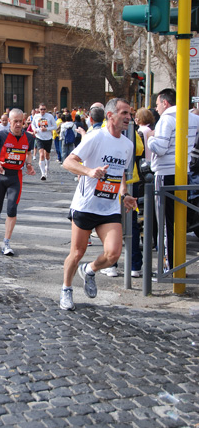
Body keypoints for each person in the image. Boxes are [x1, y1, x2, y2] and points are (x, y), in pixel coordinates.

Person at [60, 98, 136, 311]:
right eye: (124, 114)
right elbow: (68, 162)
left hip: (109, 207)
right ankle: (66, 289)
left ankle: (90, 270)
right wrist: (89, 171)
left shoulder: (128, 144)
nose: (128, 118)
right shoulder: (95, 137)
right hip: (86, 205)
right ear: (110, 115)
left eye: (129, 114)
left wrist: (125, 193)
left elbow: (119, 172)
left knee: (113, 254)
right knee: (76, 252)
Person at [147, 88, 199, 271]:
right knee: (179, 218)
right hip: (183, 172)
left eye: (157, 104)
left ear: (165, 103)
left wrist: (149, 139)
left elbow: (160, 148)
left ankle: (169, 264)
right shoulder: (193, 118)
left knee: (165, 221)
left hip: (165, 173)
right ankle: (177, 262)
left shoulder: (166, 119)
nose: (156, 108)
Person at [0, 108, 35, 255]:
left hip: (15, 177)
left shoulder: (29, 137)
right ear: (10, 122)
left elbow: (29, 152)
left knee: (12, 209)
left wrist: (29, 165)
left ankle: (6, 242)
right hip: (0, 175)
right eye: (15, 121)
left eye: (21, 121)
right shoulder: (1, 135)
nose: (18, 124)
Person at [31, 103, 57, 180]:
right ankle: (43, 174)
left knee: (47, 156)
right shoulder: (36, 116)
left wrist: (47, 129)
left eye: (44, 109)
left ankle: (47, 168)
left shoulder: (50, 116)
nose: (43, 111)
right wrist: (35, 129)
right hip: (39, 137)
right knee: (41, 154)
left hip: (48, 138)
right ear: (39, 110)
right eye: (41, 109)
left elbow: (55, 126)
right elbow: (33, 125)